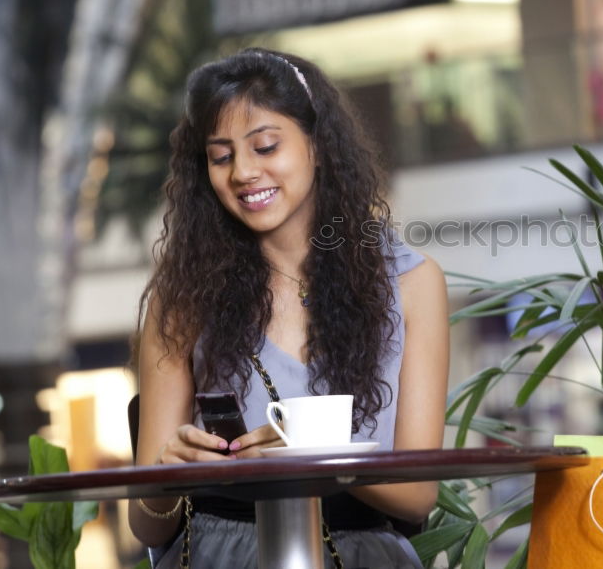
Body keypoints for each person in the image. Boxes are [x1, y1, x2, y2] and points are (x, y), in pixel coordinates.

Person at [127, 47, 450, 568]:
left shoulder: (412, 283)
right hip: (219, 553)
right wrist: (168, 477)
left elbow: (417, 496)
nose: (244, 173)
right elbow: (144, 523)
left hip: (362, 554)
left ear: (317, 146)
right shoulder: (183, 295)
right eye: (221, 155)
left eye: (266, 146)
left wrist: (307, 460)